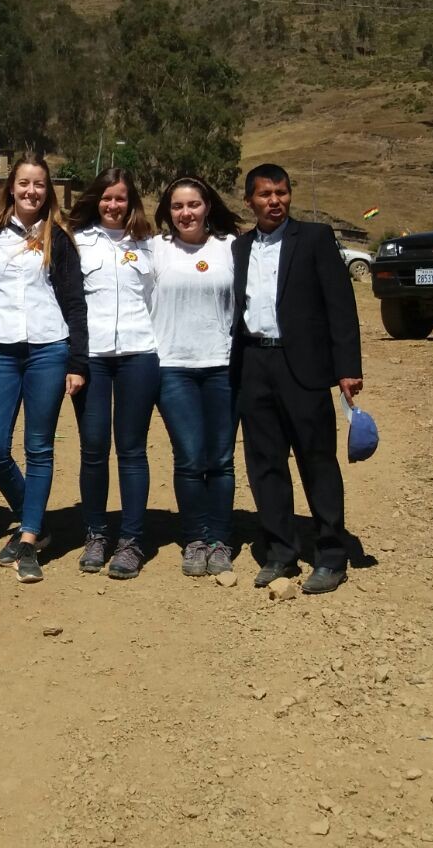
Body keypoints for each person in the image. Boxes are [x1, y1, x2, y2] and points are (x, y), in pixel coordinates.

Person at [231, 163, 363, 596]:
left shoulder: (315, 239)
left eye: (282, 192)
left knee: (317, 460)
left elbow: (340, 306)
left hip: (301, 366)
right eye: (265, 194)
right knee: (265, 463)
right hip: (254, 363)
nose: (275, 201)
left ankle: (331, 555)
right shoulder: (239, 248)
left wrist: (347, 367)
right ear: (249, 201)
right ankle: (281, 552)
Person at [0, 152, 88, 584]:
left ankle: (31, 536)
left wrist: (77, 359)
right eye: (24, 184)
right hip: (0, 348)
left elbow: (74, 301)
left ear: (47, 190)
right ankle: (32, 512)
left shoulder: (61, 238)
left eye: (39, 184)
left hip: (48, 349)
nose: (31, 191)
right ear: (10, 188)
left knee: (39, 447)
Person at [66, 167, 159, 580]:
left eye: (120, 197)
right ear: (95, 199)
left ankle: (132, 540)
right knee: (93, 447)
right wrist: (73, 359)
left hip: (140, 353)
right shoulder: (77, 242)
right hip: (93, 357)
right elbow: (67, 301)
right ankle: (96, 534)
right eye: (106, 197)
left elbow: (158, 299)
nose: (113, 204)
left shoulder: (149, 245)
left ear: (131, 201)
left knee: (132, 448)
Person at [149, 176, 242, 579]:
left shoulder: (231, 248)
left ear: (208, 207)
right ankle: (195, 538)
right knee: (189, 458)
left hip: (223, 365)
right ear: (168, 212)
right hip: (173, 367)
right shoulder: (155, 249)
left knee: (221, 459)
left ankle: (220, 539)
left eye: (193, 205)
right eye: (177, 206)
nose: (185, 213)